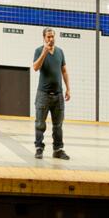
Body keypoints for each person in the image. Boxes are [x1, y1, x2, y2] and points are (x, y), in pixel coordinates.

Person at [32, 27, 70, 160]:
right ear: (44, 38)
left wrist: (68, 88)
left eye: (52, 36)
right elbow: (35, 67)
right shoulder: (38, 51)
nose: (51, 39)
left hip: (58, 95)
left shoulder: (60, 52)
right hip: (43, 94)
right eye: (48, 37)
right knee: (40, 123)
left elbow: (64, 71)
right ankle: (39, 148)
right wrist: (44, 52)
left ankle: (58, 150)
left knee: (58, 125)